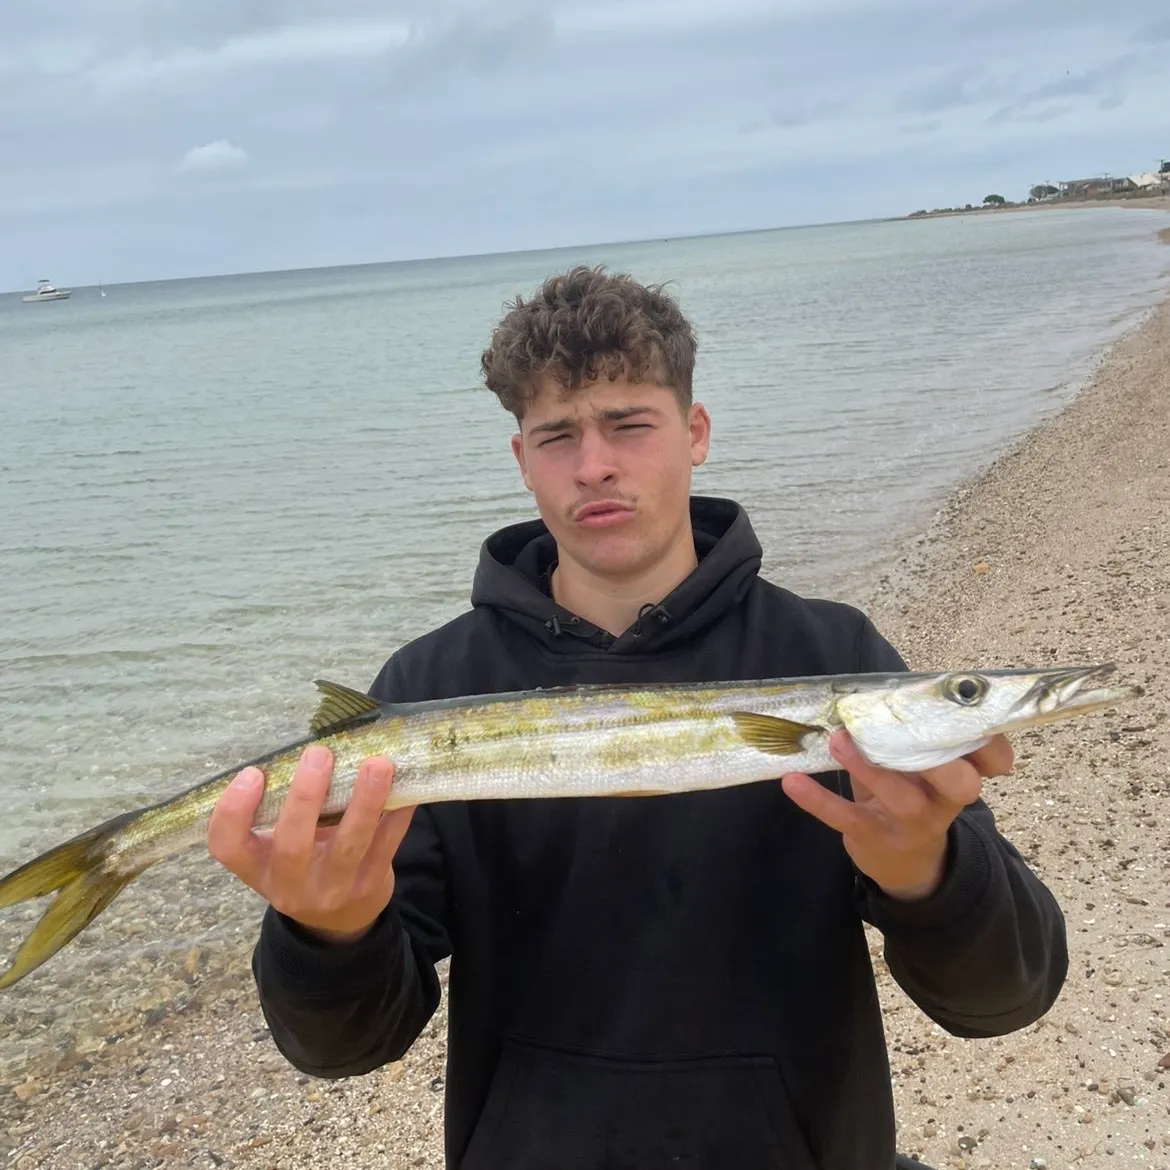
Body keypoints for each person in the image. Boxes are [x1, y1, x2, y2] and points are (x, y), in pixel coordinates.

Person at [207, 265, 1068, 1170]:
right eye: (556, 436)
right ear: (520, 459)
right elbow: (346, 1046)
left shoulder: (830, 654)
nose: (595, 465)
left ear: (694, 432)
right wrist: (325, 931)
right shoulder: (432, 683)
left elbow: (1005, 996)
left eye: (629, 423)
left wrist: (929, 870)